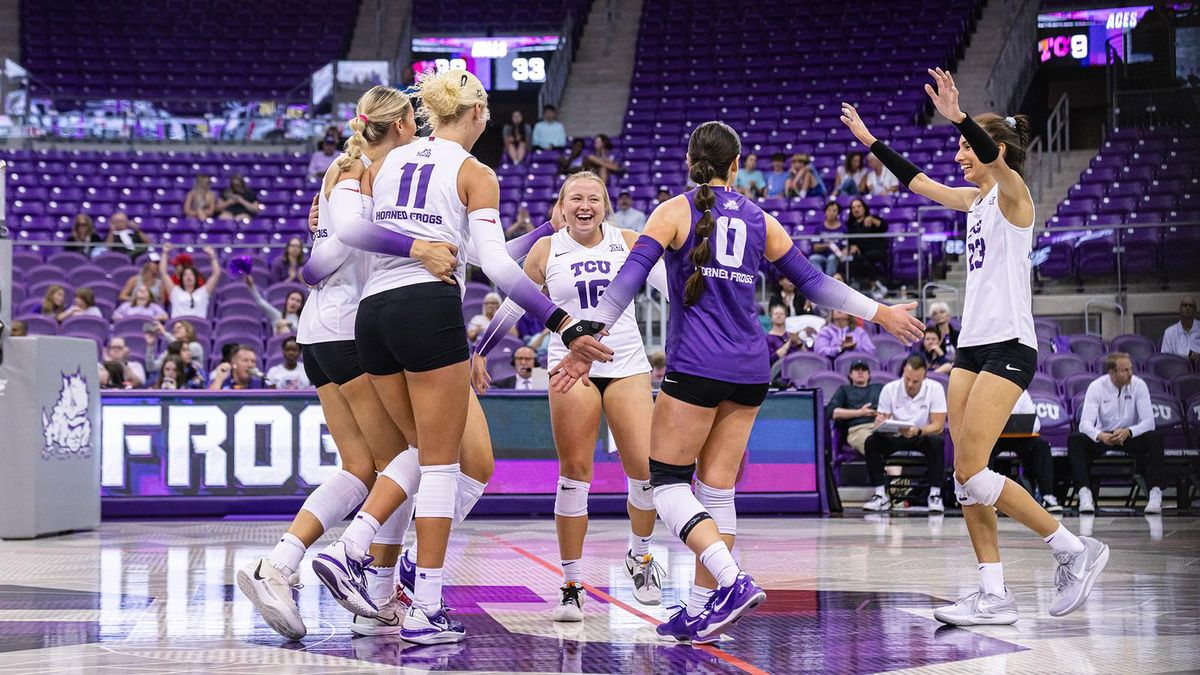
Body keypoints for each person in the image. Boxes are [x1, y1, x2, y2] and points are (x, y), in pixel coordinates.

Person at [548, 120, 923, 644]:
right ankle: (703, 609)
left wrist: (586, 341)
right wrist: (880, 311)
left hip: (698, 366)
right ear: (736, 166)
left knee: (669, 481)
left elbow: (625, 284)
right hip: (751, 369)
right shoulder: (759, 218)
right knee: (718, 490)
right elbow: (814, 284)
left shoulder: (674, 211)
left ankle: (730, 580)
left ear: (689, 163)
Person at [307, 74, 604, 645]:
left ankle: (363, 559)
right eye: (486, 109)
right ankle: (416, 601)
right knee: (441, 464)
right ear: (473, 112)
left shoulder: (387, 160)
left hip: (372, 317)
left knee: (417, 452)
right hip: (426, 308)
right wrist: (560, 320)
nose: (490, 117)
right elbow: (495, 264)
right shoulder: (476, 173)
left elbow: (358, 231)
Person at [841, 68, 1106, 627]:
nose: (959, 153)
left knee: (971, 467)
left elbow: (992, 156)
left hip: (1010, 346)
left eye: (966, 146)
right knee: (965, 479)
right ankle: (994, 593)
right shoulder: (975, 201)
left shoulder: (1015, 196)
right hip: (971, 348)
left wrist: (962, 116)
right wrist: (872, 144)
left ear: (996, 151)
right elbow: (916, 182)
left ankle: (1072, 549)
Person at [240, 86, 419, 642]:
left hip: (320, 329)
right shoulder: (359, 175)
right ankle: (365, 570)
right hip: (348, 327)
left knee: (359, 467)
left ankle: (280, 564)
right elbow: (328, 255)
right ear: (397, 126)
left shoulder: (346, 171)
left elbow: (317, 261)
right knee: (410, 458)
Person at [473, 172, 670, 619]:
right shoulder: (547, 248)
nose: (585, 206)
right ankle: (571, 581)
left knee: (644, 471)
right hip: (568, 368)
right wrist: (481, 349)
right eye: (575, 198)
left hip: (626, 364)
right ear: (561, 206)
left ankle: (640, 557)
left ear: (606, 206)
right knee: (575, 473)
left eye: (594, 198)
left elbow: (674, 289)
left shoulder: (630, 240)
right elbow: (516, 302)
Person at [1068, 352, 1167, 514]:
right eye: (1125, 370)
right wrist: (1100, 435)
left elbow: (1149, 422)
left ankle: (1155, 493)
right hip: (1104, 436)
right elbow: (1084, 424)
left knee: (1155, 437)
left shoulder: (1139, 385)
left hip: (1130, 435)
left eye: (1130, 369)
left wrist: (1129, 431)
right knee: (1076, 440)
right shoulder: (1096, 387)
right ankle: (1084, 494)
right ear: (1112, 372)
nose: (1130, 373)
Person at [862, 356, 947, 512]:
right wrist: (880, 422)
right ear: (903, 372)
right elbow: (880, 421)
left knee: (937, 441)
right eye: (907, 379)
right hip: (896, 435)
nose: (910, 384)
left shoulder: (935, 389)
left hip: (920, 434)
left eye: (915, 381)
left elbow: (938, 425)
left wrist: (918, 430)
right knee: (871, 441)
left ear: (924, 377)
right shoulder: (890, 389)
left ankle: (935, 495)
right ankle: (880, 495)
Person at [990, 390, 1060, 512]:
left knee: (1041, 445)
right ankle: (986, 498)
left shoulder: (1021, 391)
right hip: (993, 436)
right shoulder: (986, 388)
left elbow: (1035, 424)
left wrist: (1017, 425)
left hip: (1019, 437)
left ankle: (1047, 496)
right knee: (982, 449)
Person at [826, 360, 883, 454]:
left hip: (881, 426)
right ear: (850, 375)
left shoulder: (879, 388)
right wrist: (860, 412)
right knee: (875, 448)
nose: (860, 372)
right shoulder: (844, 390)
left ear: (869, 375)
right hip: (858, 429)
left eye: (864, 370)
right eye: (856, 369)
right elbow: (832, 412)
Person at [159, 244, 220, 319]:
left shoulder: (204, 292)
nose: (188, 277)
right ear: (181, 279)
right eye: (185, 275)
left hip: (198, 328)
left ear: (196, 278)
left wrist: (212, 256)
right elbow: (163, 273)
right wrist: (165, 253)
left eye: (191, 274)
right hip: (179, 327)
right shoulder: (174, 291)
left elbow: (216, 274)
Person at [846, 198, 890, 297]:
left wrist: (873, 220)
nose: (856, 209)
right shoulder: (850, 225)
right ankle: (868, 286)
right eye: (853, 208)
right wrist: (852, 246)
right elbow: (849, 241)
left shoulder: (872, 219)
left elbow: (884, 227)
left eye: (858, 206)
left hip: (877, 251)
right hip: (861, 254)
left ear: (864, 208)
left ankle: (876, 285)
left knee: (866, 258)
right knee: (856, 259)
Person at [807, 201, 847, 276]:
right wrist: (828, 245)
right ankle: (819, 279)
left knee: (831, 258)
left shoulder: (844, 228)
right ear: (825, 212)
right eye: (829, 210)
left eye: (834, 211)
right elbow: (815, 247)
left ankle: (829, 282)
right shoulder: (818, 228)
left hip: (836, 257)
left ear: (838, 213)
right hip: (821, 256)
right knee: (813, 258)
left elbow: (845, 246)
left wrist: (843, 253)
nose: (831, 213)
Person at [1161, 296, 1199, 364]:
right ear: (1180, 310)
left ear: (1195, 311)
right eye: (1184, 305)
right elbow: (1165, 358)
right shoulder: (1169, 332)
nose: (1187, 308)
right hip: (1177, 369)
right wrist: (1186, 358)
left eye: (1191, 306)